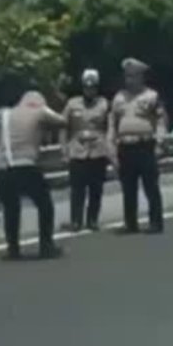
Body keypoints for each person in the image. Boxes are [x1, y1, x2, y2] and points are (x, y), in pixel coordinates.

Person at [0, 86, 67, 260]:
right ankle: (46, 246)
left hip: (2, 168)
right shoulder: (40, 111)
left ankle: (13, 249)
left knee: (11, 209)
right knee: (45, 205)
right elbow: (62, 121)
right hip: (25, 166)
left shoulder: (4, 114)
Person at [109, 57, 168, 234]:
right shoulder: (119, 97)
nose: (130, 80)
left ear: (141, 77)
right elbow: (112, 122)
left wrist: (160, 141)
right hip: (125, 147)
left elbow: (161, 120)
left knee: (150, 186)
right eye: (127, 76)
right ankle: (130, 222)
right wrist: (110, 145)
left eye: (134, 76)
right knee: (128, 188)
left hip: (145, 145)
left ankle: (156, 222)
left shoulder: (151, 96)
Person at [60, 68, 110, 232]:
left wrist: (109, 148)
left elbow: (109, 127)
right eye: (87, 87)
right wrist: (63, 149)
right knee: (77, 189)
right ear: (83, 87)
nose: (90, 90)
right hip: (77, 150)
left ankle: (92, 219)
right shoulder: (72, 104)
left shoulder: (104, 104)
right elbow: (63, 127)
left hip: (98, 150)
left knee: (96, 188)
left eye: (93, 87)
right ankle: (76, 220)